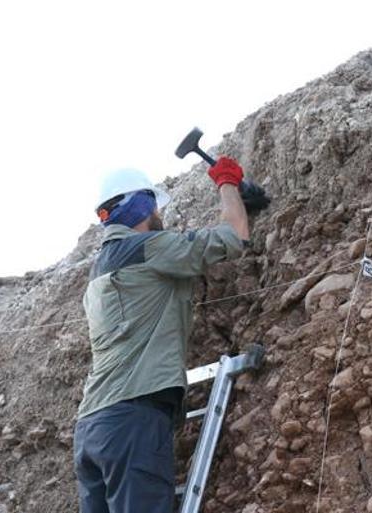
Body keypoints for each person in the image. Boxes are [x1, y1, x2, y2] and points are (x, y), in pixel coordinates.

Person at [73, 157, 268, 513]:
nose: (160, 215)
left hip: (90, 429)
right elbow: (234, 236)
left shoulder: (98, 271)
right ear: (142, 204)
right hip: (133, 418)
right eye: (155, 206)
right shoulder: (151, 248)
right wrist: (228, 183)